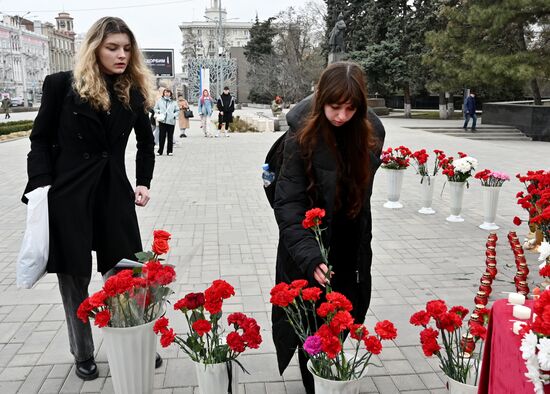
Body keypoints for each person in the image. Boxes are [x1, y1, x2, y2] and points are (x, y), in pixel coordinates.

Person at [22, 17, 157, 381]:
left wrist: (143, 182)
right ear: (94, 47)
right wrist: (41, 185)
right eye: (113, 47)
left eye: (127, 48)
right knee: (74, 277)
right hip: (69, 194)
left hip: (114, 191)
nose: (121, 55)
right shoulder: (60, 86)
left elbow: (147, 143)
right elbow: (39, 139)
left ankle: (134, 338)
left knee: (126, 271)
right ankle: (83, 352)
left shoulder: (133, 91)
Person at [271, 61, 385, 394]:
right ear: (322, 101)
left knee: (342, 315)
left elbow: (363, 198)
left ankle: (328, 375)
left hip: (349, 245)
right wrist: (309, 254)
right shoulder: (300, 135)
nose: (341, 115)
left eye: (350, 108)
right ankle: (315, 384)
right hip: (309, 243)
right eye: (335, 107)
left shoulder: (369, 133)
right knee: (309, 324)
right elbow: (289, 203)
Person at [154, 88, 179, 155]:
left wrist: (174, 115)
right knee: (161, 137)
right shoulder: (160, 101)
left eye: (168, 92)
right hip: (162, 121)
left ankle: (169, 151)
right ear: (163, 93)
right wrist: (159, 112)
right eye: (165, 92)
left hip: (171, 122)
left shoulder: (174, 102)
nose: (167, 93)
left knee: (170, 137)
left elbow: (177, 110)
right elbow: (155, 108)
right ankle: (160, 151)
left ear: (170, 93)